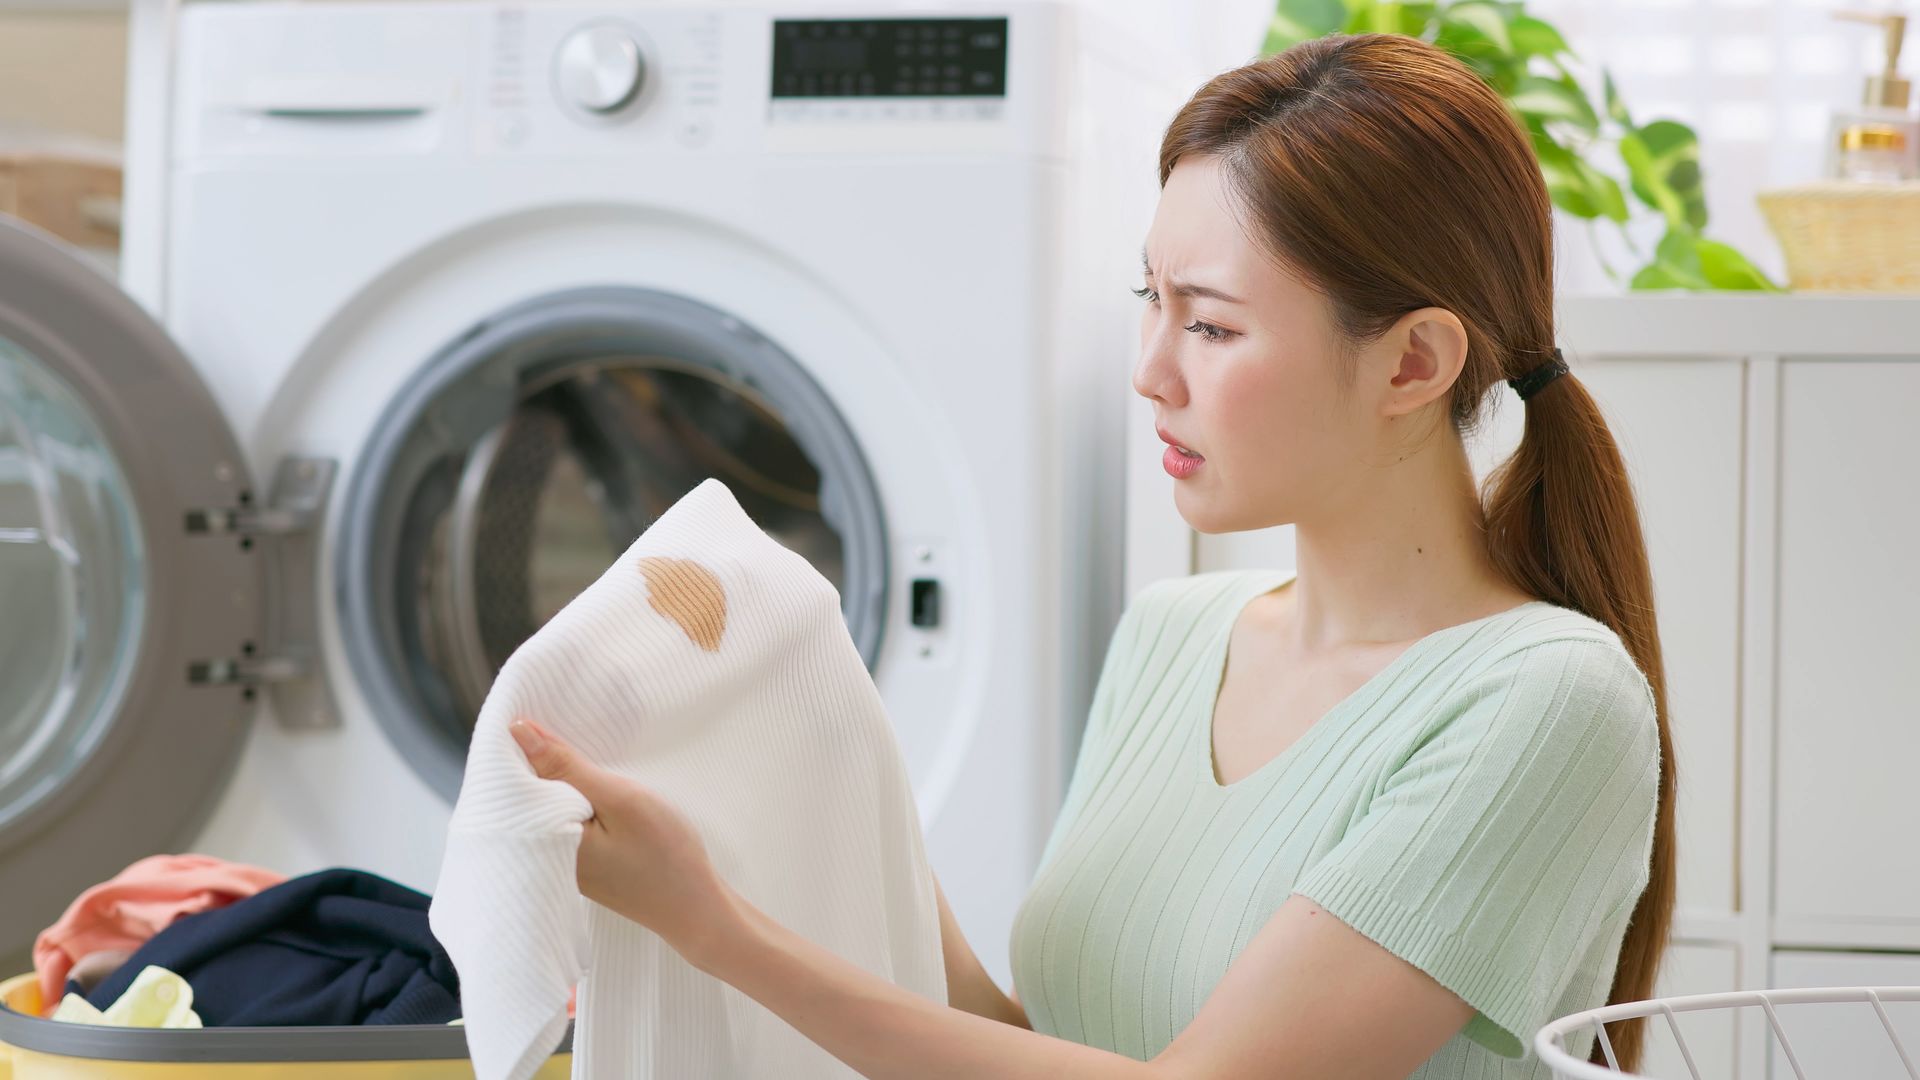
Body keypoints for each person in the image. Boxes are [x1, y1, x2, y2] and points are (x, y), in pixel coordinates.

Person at [507, 31, 1676, 1079]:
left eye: (1211, 324)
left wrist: (713, 925)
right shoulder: (1176, 636)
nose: (1150, 369)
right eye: (1149, 300)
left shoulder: (1548, 700)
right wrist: (807, 759)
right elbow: (1043, 1050)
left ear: (1414, 364)